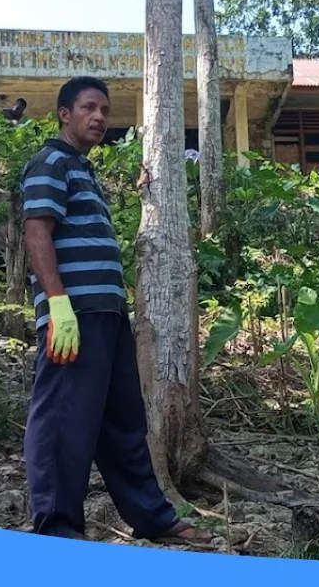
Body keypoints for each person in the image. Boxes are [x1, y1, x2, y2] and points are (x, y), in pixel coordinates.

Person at [20, 76, 209, 545]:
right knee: (63, 420)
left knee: (122, 421)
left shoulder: (83, 169)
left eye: (104, 109)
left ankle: (153, 518)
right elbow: (37, 233)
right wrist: (58, 303)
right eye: (89, 107)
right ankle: (58, 529)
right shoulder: (51, 162)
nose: (100, 117)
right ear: (65, 113)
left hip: (107, 314)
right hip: (74, 317)